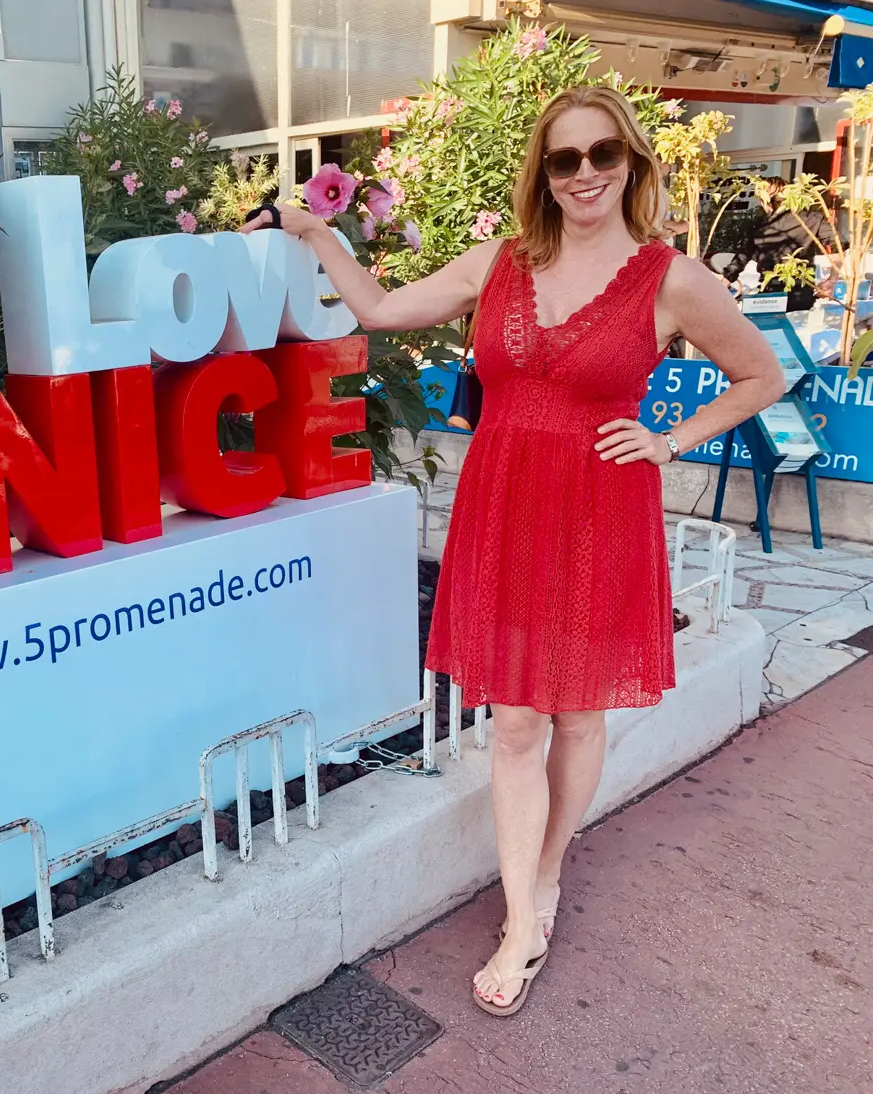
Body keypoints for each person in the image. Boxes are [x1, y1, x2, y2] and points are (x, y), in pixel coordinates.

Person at [242, 85, 782, 1016]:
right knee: (519, 720)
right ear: (544, 172)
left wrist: (669, 439)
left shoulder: (670, 279)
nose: (584, 175)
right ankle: (520, 918)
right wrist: (310, 230)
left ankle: (548, 875)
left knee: (577, 716)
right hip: (504, 504)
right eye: (564, 159)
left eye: (601, 155)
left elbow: (762, 374)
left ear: (632, 162)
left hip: (600, 510)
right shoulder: (498, 262)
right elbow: (375, 309)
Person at [722, 176, 838, 310]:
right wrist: (832, 279)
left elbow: (741, 258)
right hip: (802, 293)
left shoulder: (760, 226)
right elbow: (838, 247)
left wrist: (724, 282)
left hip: (770, 293)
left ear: (766, 200)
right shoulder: (812, 219)